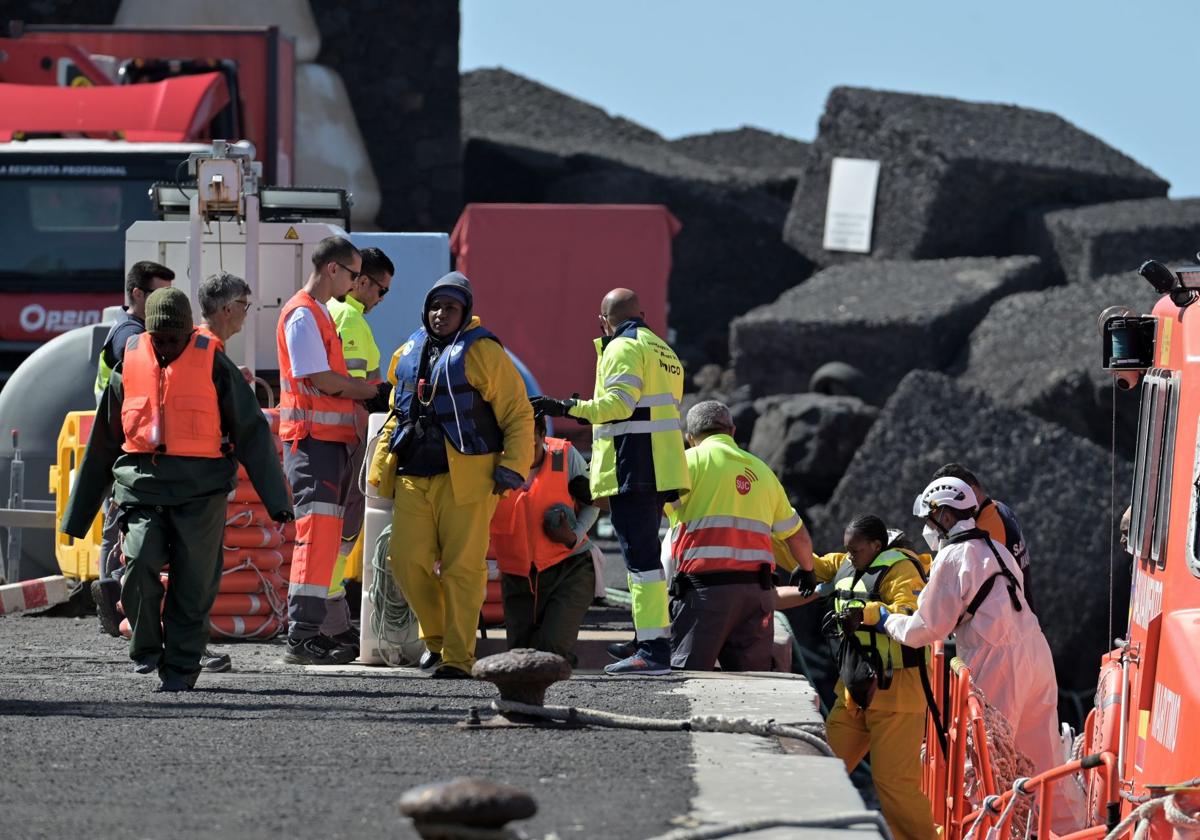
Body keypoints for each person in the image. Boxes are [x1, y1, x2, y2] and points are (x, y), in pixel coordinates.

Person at [61, 288, 292, 691]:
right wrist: (77, 517)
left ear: (189, 331)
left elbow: (251, 432)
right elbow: (102, 445)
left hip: (201, 492)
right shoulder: (127, 368)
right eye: (160, 338)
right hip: (142, 488)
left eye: (175, 337)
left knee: (193, 583)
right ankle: (147, 646)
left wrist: (277, 501)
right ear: (148, 333)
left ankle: (181, 669)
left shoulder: (213, 364)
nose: (167, 345)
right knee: (137, 563)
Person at [877, 477, 1082, 834]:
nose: (927, 528)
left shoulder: (952, 557)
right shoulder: (996, 548)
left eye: (928, 520)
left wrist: (886, 620)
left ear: (942, 514)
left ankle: (988, 832)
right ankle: (1073, 832)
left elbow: (927, 629)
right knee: (1046, 760)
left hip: (997, 660)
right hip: (1035, 652)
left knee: (986, 768)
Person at [367, 271, 533, 679]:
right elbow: (397, 412)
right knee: (404, 560)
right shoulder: (409, 349)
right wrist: (378, 467)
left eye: (451, 307)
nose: (441, 314)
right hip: (412, 476)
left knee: (462, 569)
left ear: (466, 313)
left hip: (470, 478)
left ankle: (458, 657)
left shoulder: (484, 352)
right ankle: (437, 640)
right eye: (436, 306)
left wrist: (513, 466)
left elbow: (517, 412)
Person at [532, 288, 690, 676]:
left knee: (641, 562)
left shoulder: (622, 347)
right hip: (660, 467)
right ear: (643, 312)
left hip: (634, 465)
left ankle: (652, 650)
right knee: (645, 557)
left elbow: (619, 405)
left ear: (604, 321)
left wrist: (567, 407)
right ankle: (644, 636)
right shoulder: (663, 351)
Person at [277, 236, 383, 665]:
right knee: (316, 540)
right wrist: (372, 392)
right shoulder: (303, 314)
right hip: (313, 443)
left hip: (326, 444)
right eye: (356, 274)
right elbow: (320, 378)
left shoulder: (316, 313)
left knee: (323, 543)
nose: (359, 282)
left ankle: (311, 632)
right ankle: (302, 636)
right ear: (333, 270)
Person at [802, 515, 936, 840]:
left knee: (893, 783)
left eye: (856, 550)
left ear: (877, 547)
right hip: (854, 691)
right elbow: (815, 562)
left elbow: (910, 614)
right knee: (822, 767)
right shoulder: (850, 563)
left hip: (898, 693)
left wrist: (866, 614)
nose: (849, 556)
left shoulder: (902, 570)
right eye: (847, 550)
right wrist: (775, 533)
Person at [663, 400, 814, 671]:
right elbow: (797, 535)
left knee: (690, 678)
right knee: (751, 680)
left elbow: (653, 512)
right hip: (756, 596)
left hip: (704, 594)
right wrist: (807, 569)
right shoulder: (762, 471)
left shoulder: (686, 463)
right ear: (732, 431)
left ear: (689, 438)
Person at [90, 261, 175, 632]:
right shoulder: (128, 333)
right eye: (158, 294)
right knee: (117, 525)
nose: (164, 302)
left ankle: (114, 600)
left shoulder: (135, 330)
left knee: (120, 524)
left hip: (124, 442)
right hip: (122, 446)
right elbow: (143, 366)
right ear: (138, 294)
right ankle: (111, 604)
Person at [490, 413, 599, 665]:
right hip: (518, 578)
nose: (525, 453)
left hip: (569, 567)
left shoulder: (564, 456)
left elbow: (593, 503)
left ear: (542, 435)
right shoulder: (492, 464)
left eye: (532, 443)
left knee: (548, 654)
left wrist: (573, 536)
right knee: (519, 660)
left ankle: (560, 656)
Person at [326, 247, 394, 644]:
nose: (380, 300)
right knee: (345, 531)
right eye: (381, 290)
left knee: (326, 532)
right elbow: (352, 387)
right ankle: (330, 618)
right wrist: (384, 394)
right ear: (363, 282)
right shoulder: (350, 319)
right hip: (347, 437)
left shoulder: (326, 313)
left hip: (325, 439)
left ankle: (324, 614)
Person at [931, 463, 1035, 612]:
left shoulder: (986, 530)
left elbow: (971, 588)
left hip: (1005, 621)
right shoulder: (999, 508)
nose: (949, 510)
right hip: (1019, 616)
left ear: (971, 491)